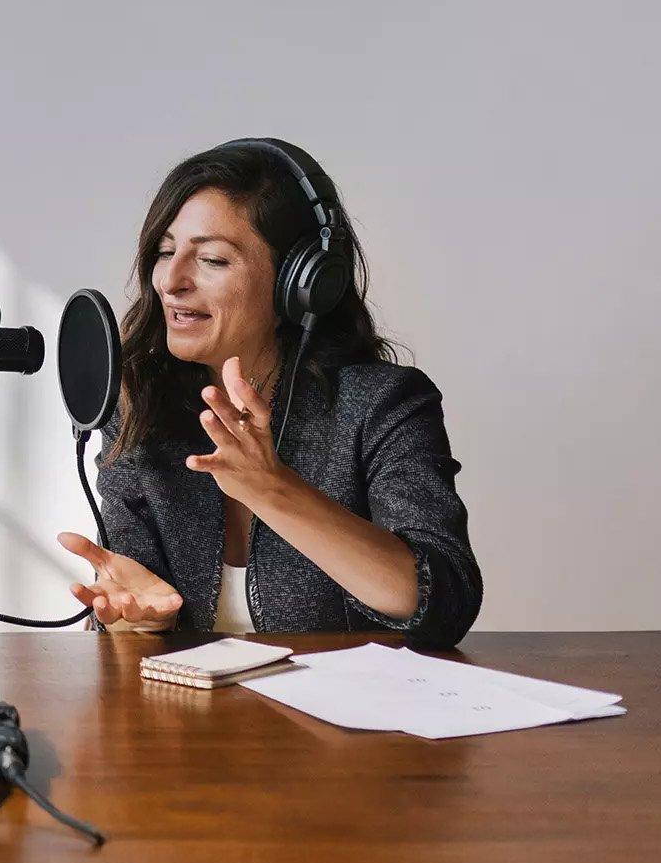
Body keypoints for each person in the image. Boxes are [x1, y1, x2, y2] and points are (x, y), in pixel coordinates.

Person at [57, 138, 480, 649]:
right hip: (190, 702)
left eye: (212, 259)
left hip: (342, 702)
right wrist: (135, 620)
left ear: (300, 283)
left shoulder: (383, 405)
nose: (171, 280)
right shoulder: (137, 406)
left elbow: (444, 603)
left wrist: (271, 489)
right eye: (165, 252)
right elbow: (135, 600)